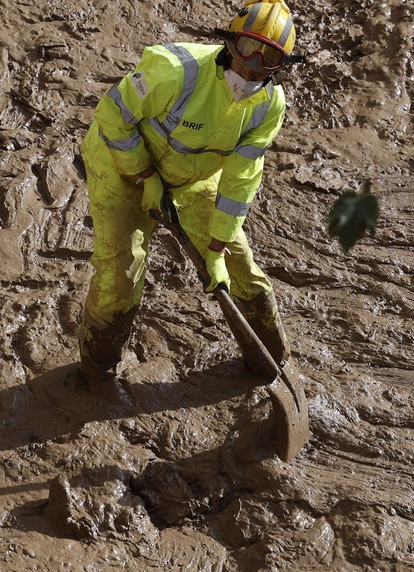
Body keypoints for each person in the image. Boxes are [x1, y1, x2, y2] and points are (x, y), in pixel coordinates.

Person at [77, 0, 299, 382]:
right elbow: (112, 116)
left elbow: (242, 178)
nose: (251, 67)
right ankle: (97, 369)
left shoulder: (267, 107)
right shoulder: (176, 72)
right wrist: (145, 176)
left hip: (192, 178)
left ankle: (270, 365)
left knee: (239, 269)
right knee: (122, 275)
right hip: (119, 163)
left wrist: (217, 248)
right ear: (230, 43)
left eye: (268, 59)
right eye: (247, 50)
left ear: (281, 66)